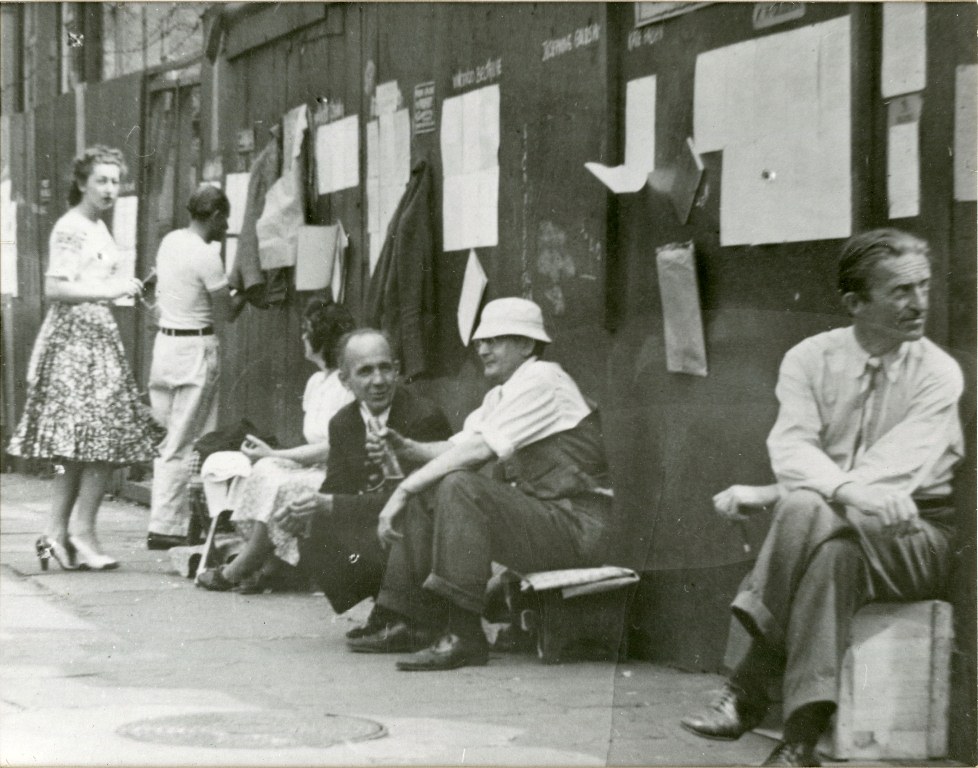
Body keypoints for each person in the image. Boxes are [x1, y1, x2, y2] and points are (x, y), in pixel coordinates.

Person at [680, 229, 964, 767]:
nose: (919, 303)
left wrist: (819, 490)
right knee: (828, 547)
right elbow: (790, 449)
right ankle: (798, 744)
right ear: (855, 303)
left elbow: (894, 473)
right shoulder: (810, 359)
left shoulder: (938, 374)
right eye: (901, 291)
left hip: (916, 535)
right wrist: (842, 491)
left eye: (924, 286)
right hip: (839, 531)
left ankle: (747, 685)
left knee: (805, 505)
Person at [343, 297, 616, 671]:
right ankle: (407, 618)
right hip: (549, 521)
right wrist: (406, 448)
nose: (482, 348)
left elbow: (478, 451)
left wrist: (403, 490)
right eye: (480, 341)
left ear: (526, 344)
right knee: (438, 484)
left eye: (496, 339)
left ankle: (463, 634)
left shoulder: (544, 380)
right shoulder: (501, 393)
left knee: (458, 484)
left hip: (582, 527)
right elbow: (456, 446)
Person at [8, 145, 162, 571]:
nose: (110, 189)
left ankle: (59, 532)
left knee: (88, 445)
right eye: (102, 180)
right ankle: (77, 532)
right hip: (76, 342)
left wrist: (121, 285)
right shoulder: (72, 227)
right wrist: (109, 290)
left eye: (115, 181)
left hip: (96, 336)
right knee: (90, 443)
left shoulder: (95, 227)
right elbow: (56, 288)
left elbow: (92, 279)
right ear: (81, 183)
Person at [266, 328, 452, 618]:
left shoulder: (423, 416)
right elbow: (336, 488)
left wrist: (331, 504)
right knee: (314, 528)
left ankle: (409, 611)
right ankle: (387, 605)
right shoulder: (343, 423)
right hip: (377, 526)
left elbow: (422, 503)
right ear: (345, 380)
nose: (378, 381)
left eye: (385, 368)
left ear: (397, 370)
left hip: (419, 532)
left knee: (397, 521)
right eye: (365, 371)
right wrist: (305, 511)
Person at [194, 299, 357, 591]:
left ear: (324, 338)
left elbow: (334, 448)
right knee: (265, 469)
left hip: (340, 470)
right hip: (316, 466)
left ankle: (238, 569)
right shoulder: (316, 382)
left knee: (283, 482)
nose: (303, 338)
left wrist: (276, 453)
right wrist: (270, 457)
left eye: (308, 332)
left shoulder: (345, 387)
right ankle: (269, 566)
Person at [146, 185, 243, 550]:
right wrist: (248, 290)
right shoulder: (207, 256)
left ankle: (165, 520)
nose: (226, 225)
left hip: (165, 346)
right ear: (215, 216)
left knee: (168, 439)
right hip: (194, 347)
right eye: (225, 218)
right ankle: (170, 526)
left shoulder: (171, 241)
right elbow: (228, 311)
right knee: (192, 439)